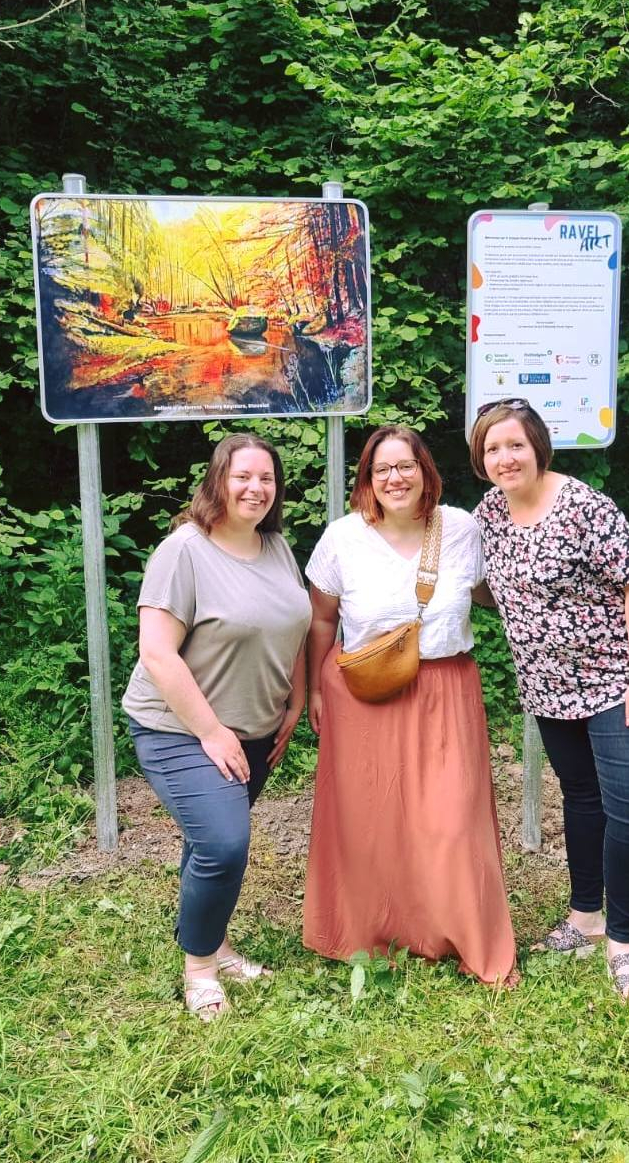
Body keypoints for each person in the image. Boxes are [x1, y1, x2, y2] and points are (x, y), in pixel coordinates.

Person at [470, 399, 629, 1007]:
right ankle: (585, 917)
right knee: (583, 798)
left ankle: (623, 943)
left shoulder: (583, 506)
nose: (505, 458)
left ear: (538, 447)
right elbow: (485, 585)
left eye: (515, 445)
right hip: (549, 686)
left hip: (620, 679)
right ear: (481, 460)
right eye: (492, 449)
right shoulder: (488, 513)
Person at [303, 425, 518, 986]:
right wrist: (315, 690)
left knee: (453, 820)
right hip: (364, 692)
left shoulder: (462, 529)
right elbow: (322, 620)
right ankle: (373, 933)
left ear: (425, 471)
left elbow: (498, 591)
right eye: (382, 469)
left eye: (406, 466)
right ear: (367, 480)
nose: (395, 478)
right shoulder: (343, 538)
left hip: (446, 689)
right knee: (372, 821)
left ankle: (463, 934)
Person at [122, 433, 310, 1021]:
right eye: (242, 476)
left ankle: (215, 944)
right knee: (224, 845)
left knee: (207, 842)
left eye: (267, 478)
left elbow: (294, 623)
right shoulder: (184, 551)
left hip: (256, 730)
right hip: (180, 729)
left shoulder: (276, 546)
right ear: (217, 482)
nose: (256, 488)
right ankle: (200, 967)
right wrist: (210, 731)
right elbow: (157, 653)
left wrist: (297, 697)